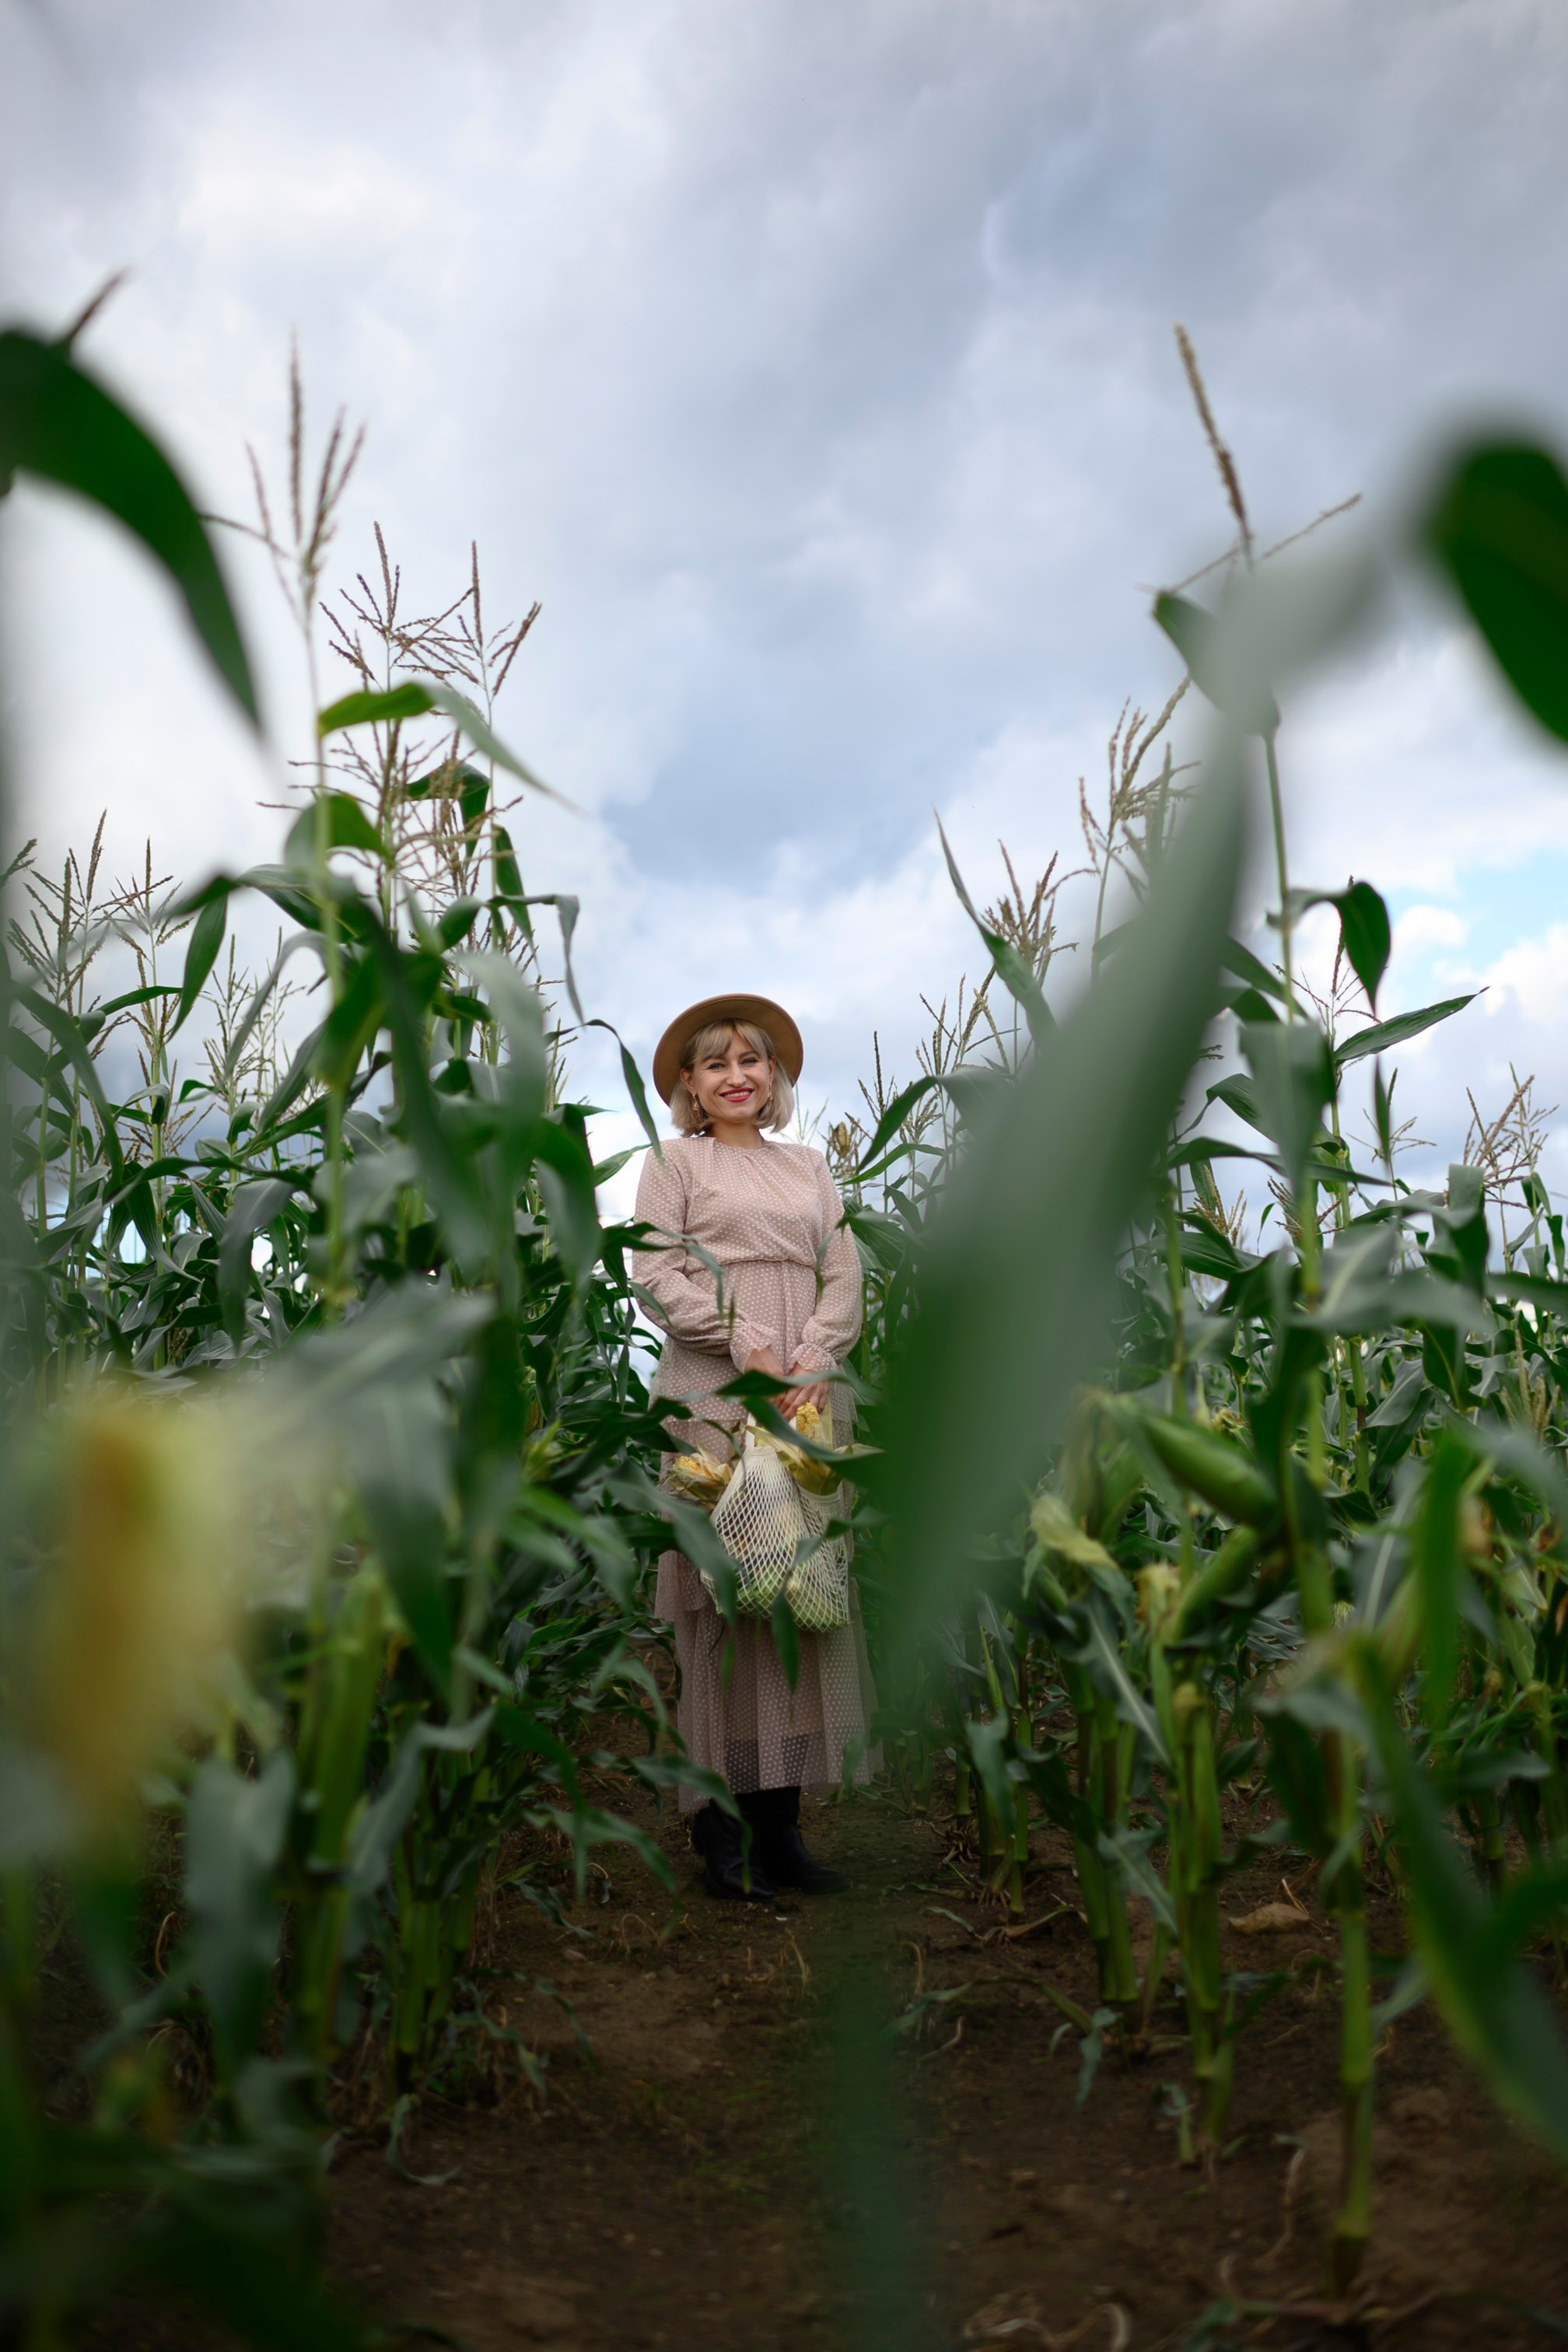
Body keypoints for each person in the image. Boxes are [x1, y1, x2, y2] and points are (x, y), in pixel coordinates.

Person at [632, 992, 880, 1902]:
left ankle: (784, 1834)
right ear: (691, 1088)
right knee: (727, 1598)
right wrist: (750, 1346)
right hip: (716, 1391)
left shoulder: (812, 1168)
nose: (738, 1076)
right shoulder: (672, 1164)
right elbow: (653, 1269)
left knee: (800, 1595)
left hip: (807, 1398)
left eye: (753, 1060)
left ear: (773, 1077)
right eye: (715, 1064)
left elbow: (843, 1271)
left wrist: (812, 1356)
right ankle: (720, 1837)